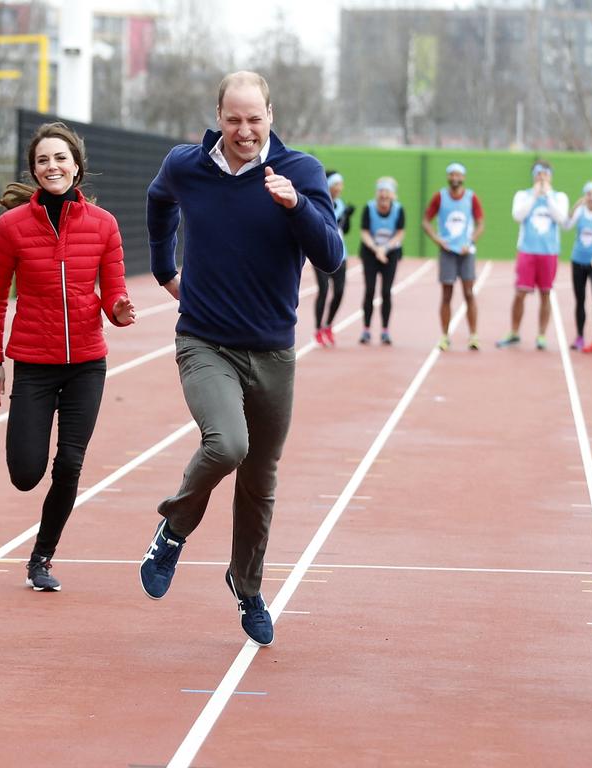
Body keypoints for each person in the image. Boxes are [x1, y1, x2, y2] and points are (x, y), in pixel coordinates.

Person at [140, 71, 344, 646]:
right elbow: (160, 201)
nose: (244, 130)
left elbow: (330, 256)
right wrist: (163, 267)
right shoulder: (189, 165)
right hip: (205, 340)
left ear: (271, 116)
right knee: (227, 444)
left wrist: (296, 205)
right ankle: (174, 529)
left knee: (260, 478)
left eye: (254, 119)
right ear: (218, 117)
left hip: (273, 351)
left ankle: (247, 586)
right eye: (234, 119)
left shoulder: (299, 171)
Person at [0, 121, 136, 592]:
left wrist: (120, 310)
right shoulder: (11, 227)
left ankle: (41, 556)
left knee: (69, 463)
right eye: (43, 160)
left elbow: (113, 291)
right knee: (27, 473)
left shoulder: (104, 225)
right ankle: (37, 529)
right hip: (33, 361)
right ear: (34, 169)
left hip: (87, 362)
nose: (53, 166)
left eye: (60, 158)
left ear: (76, 167)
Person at [496, 161, 568, 351]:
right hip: (527, 251)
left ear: (551, 176)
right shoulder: (523, 195)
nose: (541, 178)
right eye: (538, 174)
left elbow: (561, 218)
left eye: (545, 174)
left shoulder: (559, 197)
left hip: (549, 252)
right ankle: (514, 332)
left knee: (546, 293)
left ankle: (541, 335)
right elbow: (518, 215)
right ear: (533, 176)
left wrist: (548, 196)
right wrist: (535, 195)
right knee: (520, 293)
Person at [421, 162, 485, 351]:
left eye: (458, 175)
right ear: (448, 177)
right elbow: (426, 221)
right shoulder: (439, 197)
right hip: (447, 251)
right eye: (452, 175)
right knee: (447, 295)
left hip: (466, 251)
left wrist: (471, 241)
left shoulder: (471, 198)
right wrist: (437, 240)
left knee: (469, 293)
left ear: (463, 177)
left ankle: (473, 335)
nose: (455, 178)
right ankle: (445, 336)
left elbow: (481, 223)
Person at [358, 177, 405, 345]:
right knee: (370, 290)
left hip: (390, 253)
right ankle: (366, 329)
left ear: (393, 195)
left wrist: (384, 249)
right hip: (370, 252)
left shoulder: (399, 210)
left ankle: (385, 330)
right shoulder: (369, 208)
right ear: (377, 194)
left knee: (386, 291)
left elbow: (400, 233)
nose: (384, 195)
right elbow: (364, 232)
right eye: (381, 192)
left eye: (387, 192)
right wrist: (377, 249)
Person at [563, 181, 592, 351]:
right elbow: (566, 225)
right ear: (585, 196)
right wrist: (575, 206)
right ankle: (580, 336)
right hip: (578, 260)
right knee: (580, 299)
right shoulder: (580, 212)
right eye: (589, 194)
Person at [314, 170, 354, 347]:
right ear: (328, 185)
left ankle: (328, 324)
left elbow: (344, 230)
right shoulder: (320, 203)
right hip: (321, 251)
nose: (339, 188)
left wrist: (348, 217)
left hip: (340, 253)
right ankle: (317, 328)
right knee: (323, 290)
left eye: (341, 184)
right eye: (336, 184)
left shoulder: (341, 204)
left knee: (339, 291)